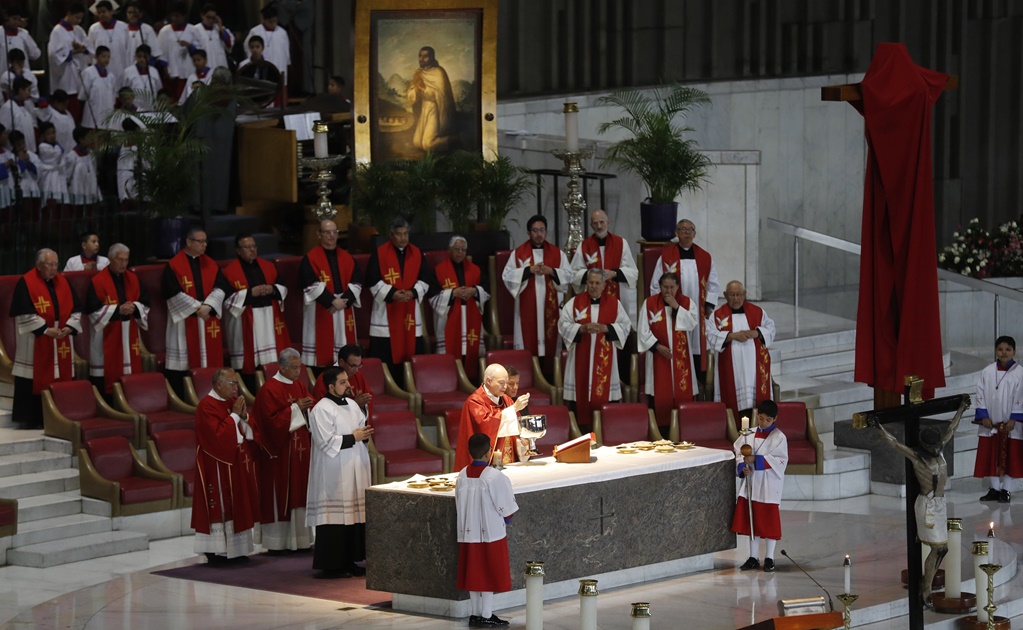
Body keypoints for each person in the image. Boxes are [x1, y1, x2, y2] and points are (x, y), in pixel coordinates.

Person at [870, 398, 969, 605]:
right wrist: (878, 426)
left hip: (940, 503)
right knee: (939, 548)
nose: (935, 449)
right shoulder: (917, 456)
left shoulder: (939, 448)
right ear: (925, 445)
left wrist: (960, 409)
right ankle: (925, 589)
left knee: (943, 548)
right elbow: (894, 443)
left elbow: (952, 428)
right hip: (927, 505)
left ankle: (926, 584)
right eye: (931, 447)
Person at [306, 365, 374, 578]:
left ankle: (350, 560)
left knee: (353, 516)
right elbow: (325, 442)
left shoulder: (353, 405)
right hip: (333, 472)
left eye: (347, 381)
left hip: (355, 465)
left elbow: (361, 430)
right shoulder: (321, 409)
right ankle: (332, 564)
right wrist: (354, 437)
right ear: (331, 386)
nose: (348, 385)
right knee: (335, 518)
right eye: (343, 382)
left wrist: (363, 434)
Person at [9, 249, 82, 429]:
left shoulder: (63, 282)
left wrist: (69, 327)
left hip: (61, 337)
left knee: (60, 376)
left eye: (56, 264)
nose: (54, 268)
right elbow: (23, 313)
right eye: (50, 264)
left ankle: (60, 415)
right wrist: (45, 330)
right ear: (39, 265)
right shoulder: (26, 283)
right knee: (33, 378)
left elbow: (76, 308)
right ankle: (33, 419)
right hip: (36, 339)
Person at [250, 348, 314, 552]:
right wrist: (295, 409)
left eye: (299, 367)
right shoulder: (269, 389)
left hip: (299, 451)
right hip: (279, 454)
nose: (298, 372)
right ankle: (277, 543)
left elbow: (310, 412)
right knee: (281, 494)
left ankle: (301, 540)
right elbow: (268, 422)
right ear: (282, 367)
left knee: (300, 491)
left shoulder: (300, 386)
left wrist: (308, 408)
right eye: (294, 368)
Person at [192, 367, 258, 563]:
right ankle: (216, 551)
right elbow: (216, 436)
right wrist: (235, 416)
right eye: (232, 383)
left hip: (234, 462)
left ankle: (236, 550)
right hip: (216, 464)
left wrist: (244, 417)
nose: (236, 388)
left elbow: (249, 429)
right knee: (220, 505)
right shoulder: (206, 406)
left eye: (236, 383)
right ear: (219, 384)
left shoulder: (231, 403)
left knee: (238, 502)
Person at [456, 433, 518, 628]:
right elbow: (507, 509)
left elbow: (458, 503)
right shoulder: (494, 476)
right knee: (489, 572)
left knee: (474, 572)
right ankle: (486, 613)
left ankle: (475, 613)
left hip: (468, 531)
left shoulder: (461, 475)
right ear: (488, 452)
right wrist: (506, 519)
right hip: (491, 532)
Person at [648, 220, 720, 389]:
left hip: (697, 311)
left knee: (695, 346)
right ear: (676, 233)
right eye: (683, 229)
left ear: (695, 233)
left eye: (690, 230)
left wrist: (708, 307)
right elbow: (655, 284)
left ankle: (697, 385)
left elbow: (713, 284)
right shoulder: (666, 256)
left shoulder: (705, 257)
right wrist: (663, 306)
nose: (687, 233)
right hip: (671, 309)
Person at [365, 217, 436, 385]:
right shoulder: (380, 253)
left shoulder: (417, 254)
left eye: (405, 234)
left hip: (410, 311)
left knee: (410, 350)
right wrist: (392, 293)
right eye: (399, 234)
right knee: (386, 354)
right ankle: (386, 386)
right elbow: (372, 279)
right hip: (386, 313)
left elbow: (426, 278)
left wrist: (412, 293)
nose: (403, 238)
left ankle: (408, 385)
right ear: (391, 235)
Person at [559, 268, 632, 429]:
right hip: (580, 356)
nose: (593, 286)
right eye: (590, 282)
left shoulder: (614, 304)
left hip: (604, 356)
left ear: (604, 285)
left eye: (597, 283)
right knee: (580, 393)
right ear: (586, 283)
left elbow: (626, 326)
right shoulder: (574, 303)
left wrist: (607, 328)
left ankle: (606, 429)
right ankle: (581, 430)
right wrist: (581, 329)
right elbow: (563, 325)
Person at [162, 226, 230, 393]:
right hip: (185, 321)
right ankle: (184, 397)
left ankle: (213, 395)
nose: (204, 245)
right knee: (183, 362)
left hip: (207, 319)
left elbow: (221, 286)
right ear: (188, 242)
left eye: (205, 241)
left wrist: (209, 306)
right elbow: (171, 292)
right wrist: (197, 308)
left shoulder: (210, 264)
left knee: (211, 362)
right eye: (200, 241)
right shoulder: (174, 265)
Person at [501, 215, 572, 375]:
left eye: (542, 230)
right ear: (528, 233)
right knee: (529, 341)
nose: (539, 234)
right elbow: (507, 276)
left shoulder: (557, 253)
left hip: (550, 308)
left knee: (550, 346)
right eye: (535, 230)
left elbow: (568, 276)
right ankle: (528, 376)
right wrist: (528, 270)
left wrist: (552, 271)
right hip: (528, 306)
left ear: (546, 232)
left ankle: (549, 378)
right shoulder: (519, 253)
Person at [222, 234, 290, 393]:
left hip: (269, 318)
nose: (252, 250)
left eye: (254, 246)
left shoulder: (268, 266)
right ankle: (250, 392)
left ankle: (274, 391)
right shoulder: (229, 272)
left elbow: (283, 287)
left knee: (271, 360)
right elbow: (226, 299)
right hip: (245, 321)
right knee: (249, 364)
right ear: (238, 250)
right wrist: (250, 293)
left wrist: (272, 289)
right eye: (247, 247)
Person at [706, 281, 776, 422]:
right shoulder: (717, 315)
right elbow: (710, 335)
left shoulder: (758, 312)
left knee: (756, 401)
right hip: (731, 368)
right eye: (732, 295)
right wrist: (731, 336)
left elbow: (771, 329)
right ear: (725, 295)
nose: (736, 298)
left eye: (739, 294)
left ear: (745, 294)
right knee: (733, 401)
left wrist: (756, 333)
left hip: (754, 369)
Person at [732, 399, 787, 573]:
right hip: (752, 482)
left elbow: (780, 459)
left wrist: (756, 460)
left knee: (768, 522)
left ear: (775, 419)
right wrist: (743, 467)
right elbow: (738, 451)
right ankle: (753, 557)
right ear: (757, 415)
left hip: (769, 484)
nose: (763, 422)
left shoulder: (779, 437)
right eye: (761, 418)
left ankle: (769, 557)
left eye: (768, 420)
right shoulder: (749, 433)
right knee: (752, 519)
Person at [85, 243, 149, 394]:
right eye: (120, 260)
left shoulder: (133, 279)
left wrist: (135, 307)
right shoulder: (98, 281)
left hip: (129, 333)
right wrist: (117, 309)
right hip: (107, 333)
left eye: (126, 260)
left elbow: (146, 303)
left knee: (130, 371)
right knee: (105, 376)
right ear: (110, 259)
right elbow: (91, 311)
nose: (123, 264)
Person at [638, 272, 701, 421]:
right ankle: (661, 428)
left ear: (678, 287)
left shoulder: (687, 302)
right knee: (658, 392)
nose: (668, 291)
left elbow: (692, 324)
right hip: (657, 356)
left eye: (672, 287)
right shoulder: (649, 303)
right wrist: (657, 347)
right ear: (659, 287)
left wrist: (677, 307)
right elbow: (643, 330)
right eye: (665, 287)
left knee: (683, 391)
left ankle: (684, 425)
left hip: (681, 357)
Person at [299, 219, 361, 369]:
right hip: (321, 308)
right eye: (327, 232)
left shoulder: (347, 258)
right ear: (319, 234)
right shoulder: (311, 258)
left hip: (343, 310)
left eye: (335, 232)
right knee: (322, 357)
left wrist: (343, 301)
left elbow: (357, 281)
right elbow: (308, 282)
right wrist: (332, 301)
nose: (331, 236)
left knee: (344, 354)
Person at [429, 235, 488, 381]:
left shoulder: (475, 270)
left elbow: (486, 289)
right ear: (449, 250)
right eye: (457, 249)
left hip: (470, 315)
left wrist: (474, 291)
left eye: (463, 249)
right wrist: (453, 293)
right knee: (452, 350)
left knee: (469, 351)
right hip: (449, 316)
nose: (460, 252)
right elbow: (432, 295)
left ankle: (471, 381)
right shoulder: (439, 270)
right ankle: (449, 381)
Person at [973, 335, 1023, 503]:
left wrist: (1014, 419)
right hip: (991, 423)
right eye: (1000, 349)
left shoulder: (1020, 373)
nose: (1004, 353)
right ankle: (994, 488)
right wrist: (984, 416)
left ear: (1014, 352)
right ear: (995, 351)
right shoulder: (987, 371)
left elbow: (1020, 397)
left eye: (1008, 349)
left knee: (1011, 456)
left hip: (1011, 425)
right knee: (991, 455)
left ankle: (1006, 490)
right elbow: (980, 394)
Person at [453, 364, 529, 471]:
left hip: (509, 463)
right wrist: (514, 409)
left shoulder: (507, 400)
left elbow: (518, 429)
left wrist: (523, 440)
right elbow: (486, 425)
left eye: (506, 383)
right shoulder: (475, 401)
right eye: (501, 383)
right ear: (488, 381)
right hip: (483, 468)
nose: (505, 387)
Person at [570, 209, 639, 323]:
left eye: (602, 222)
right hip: (591, 295)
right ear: (591, 225)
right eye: (595, 223)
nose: (599, 226)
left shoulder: (621, 243)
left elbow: (633, 272)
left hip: (617, 294)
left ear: (608, 223)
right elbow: (573, 273)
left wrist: (614, 273)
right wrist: (590, 275)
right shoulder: (584, 245)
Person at [407, 45, 456, 153]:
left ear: (431, 57)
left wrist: (422, 88)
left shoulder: (439, 72)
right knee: (416, 143)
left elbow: (438, 95)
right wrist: (415, 90)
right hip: (424, 109)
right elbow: (411, 94)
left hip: (435, 109)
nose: (421, 59)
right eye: (420, 56)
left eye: (425, 56)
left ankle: (453, 140)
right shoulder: (418, 73)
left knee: (427, 145)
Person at [47, 3, 92, 122]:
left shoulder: (79, 30)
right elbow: (53, 54)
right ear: (68, 14)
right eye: (76, 17)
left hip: (78, 72)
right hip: (66, 75)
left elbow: (89, 47)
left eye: (81, 18)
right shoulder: (57, 31)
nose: (79, 21)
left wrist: (83, 49)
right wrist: (72, 52)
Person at [311, 344, 373, 418]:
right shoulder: (325, 378)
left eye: (359, 365)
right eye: (353, 366)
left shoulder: (357, 375)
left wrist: (363, 405)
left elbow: (368, 395)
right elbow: (322, 410)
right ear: (342, 362)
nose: (356, 370)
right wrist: (354, 404)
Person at [157, 2, 201, 102]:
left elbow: (199, 51)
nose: (174, 18)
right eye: (173, 16)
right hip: (172, 73)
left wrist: (189, 46)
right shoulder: (165, 31)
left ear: (184, 16)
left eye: (177, 16)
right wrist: (165, 71)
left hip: (188, 72)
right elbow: (161, 53)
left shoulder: (192, 30)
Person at [244, 5, 290, 91]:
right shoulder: (255, 31)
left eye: (275, 21)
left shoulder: (282, 33)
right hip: (262, 71)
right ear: (264, 20)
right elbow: (247, 48)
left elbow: (286, 54)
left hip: (279, 68)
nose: (273, 23)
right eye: (270, 21)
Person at [80, 45, 118, 130]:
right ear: (96, 57)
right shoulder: (88, 72)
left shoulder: (111, 76)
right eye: (103, 56)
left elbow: (113, 97)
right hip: (93, 113)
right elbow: (83, 95)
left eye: (108, 57)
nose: (106, 59)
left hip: (107, 112)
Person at [87, 1, 130, 74]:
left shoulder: (123, 27)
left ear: (111, 12)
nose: (101, 15)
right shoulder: (94, 29)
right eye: (99, 12)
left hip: (121, 67)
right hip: (101, 70)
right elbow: (91, 50)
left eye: (104, 11)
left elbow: (128, 48)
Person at [63, 126, 101, 206]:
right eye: (89, 137)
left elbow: (93, 173)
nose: (92, 139)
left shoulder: (91, 154)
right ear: (81, 139)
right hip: (77, 195)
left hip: (91, 193)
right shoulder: (71, 156)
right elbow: (66, 177)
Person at [120, 44, 163, 110]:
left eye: (145, 57)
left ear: (149, 57)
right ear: (136, 56)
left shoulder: (154, 71)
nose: (142, 59)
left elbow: (158, 89)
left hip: (151, 108)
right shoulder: (128, 72)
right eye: (139, 57)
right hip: (134, 109)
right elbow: (124, 91)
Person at [0, 8, 41, 75]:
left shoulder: (24, 34)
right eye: (14, 19)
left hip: (22, 74)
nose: (16, 22)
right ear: (6, 18)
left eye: (18, 20)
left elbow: (35, 54)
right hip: (2, 73)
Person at [0, 78, 37, 152]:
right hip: (15, 152)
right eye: (28, 90)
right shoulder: (8, 107)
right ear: (20, 90)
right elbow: (3, 132)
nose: (30, 94)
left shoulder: (26, 106)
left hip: (29, 151)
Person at [37, 122, 69, 205]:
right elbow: (57, 155)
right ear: (43, 136)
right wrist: (59, 149)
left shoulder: (56, 145)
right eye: (48, 134)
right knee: (51, 200)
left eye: (53, 132)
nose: (52, 136)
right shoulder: (42, 146)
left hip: (59, 175)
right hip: (49, 176)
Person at [123, 2, 162, 69]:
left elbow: (155, 52)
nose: (132, 15)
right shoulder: (122, 29)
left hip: (144, 69)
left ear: (140, 14)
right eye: (129, 12)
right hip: (126, 68)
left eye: (134, 13)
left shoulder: (147, 29)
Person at [195, 4, 233, 71]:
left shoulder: (220, 29)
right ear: (202, 16)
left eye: (213, 18)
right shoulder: (195, 30)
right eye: (208, 17)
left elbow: (229, 45)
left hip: (220, 65)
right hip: (205, 66)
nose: (211, 20)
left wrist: (220, 26)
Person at [9, 130, 40, 200]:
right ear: (12, 145)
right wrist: (20, 161)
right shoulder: (10, 157)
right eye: (18, 144)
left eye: (23, 143)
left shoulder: (31, 155)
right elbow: (16, 174)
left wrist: (28, 162)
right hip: (20, 191)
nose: (22, 146)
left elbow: (38, 170)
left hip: (33, 188)